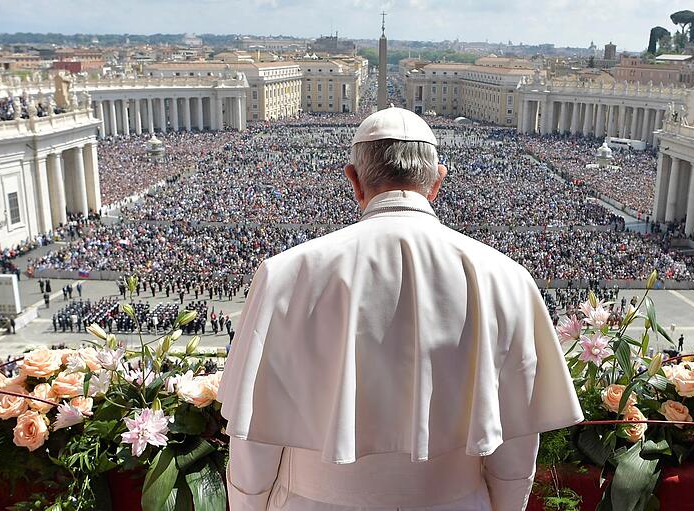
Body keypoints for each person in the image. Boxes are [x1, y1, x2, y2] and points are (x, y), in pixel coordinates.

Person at [219, 108, 583, 511]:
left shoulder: (284, 274)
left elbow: (254, 440)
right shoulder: (506, 278)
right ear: (437, 182)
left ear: (354, 181)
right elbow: (514, 446)